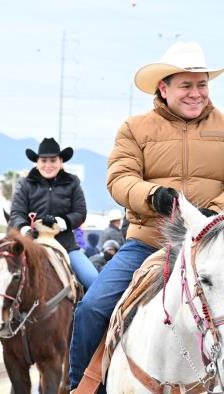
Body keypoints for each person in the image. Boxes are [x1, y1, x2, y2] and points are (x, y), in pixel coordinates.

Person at [69, 41, 224, 391]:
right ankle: (81, 386)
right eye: (186, 85)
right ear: (163, 88)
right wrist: (153, 196)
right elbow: (119, 178)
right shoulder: (135, 128)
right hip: (149, 243)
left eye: (201, 85)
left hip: (215, 246)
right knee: (92, 308)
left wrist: (211, 216)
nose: (196, 93)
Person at [9, 137, 99, 289]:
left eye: (53, 160)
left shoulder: (72, 182)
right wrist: (26, 229)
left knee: (94, 281)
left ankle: (85, 312)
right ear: (37, 162)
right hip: (31, 243)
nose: (48, 165)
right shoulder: (25, 184)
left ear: (61, 161)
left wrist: (61, 222)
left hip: (66, 245)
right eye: (44, 161)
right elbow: (16, 213)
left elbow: (80, 212)